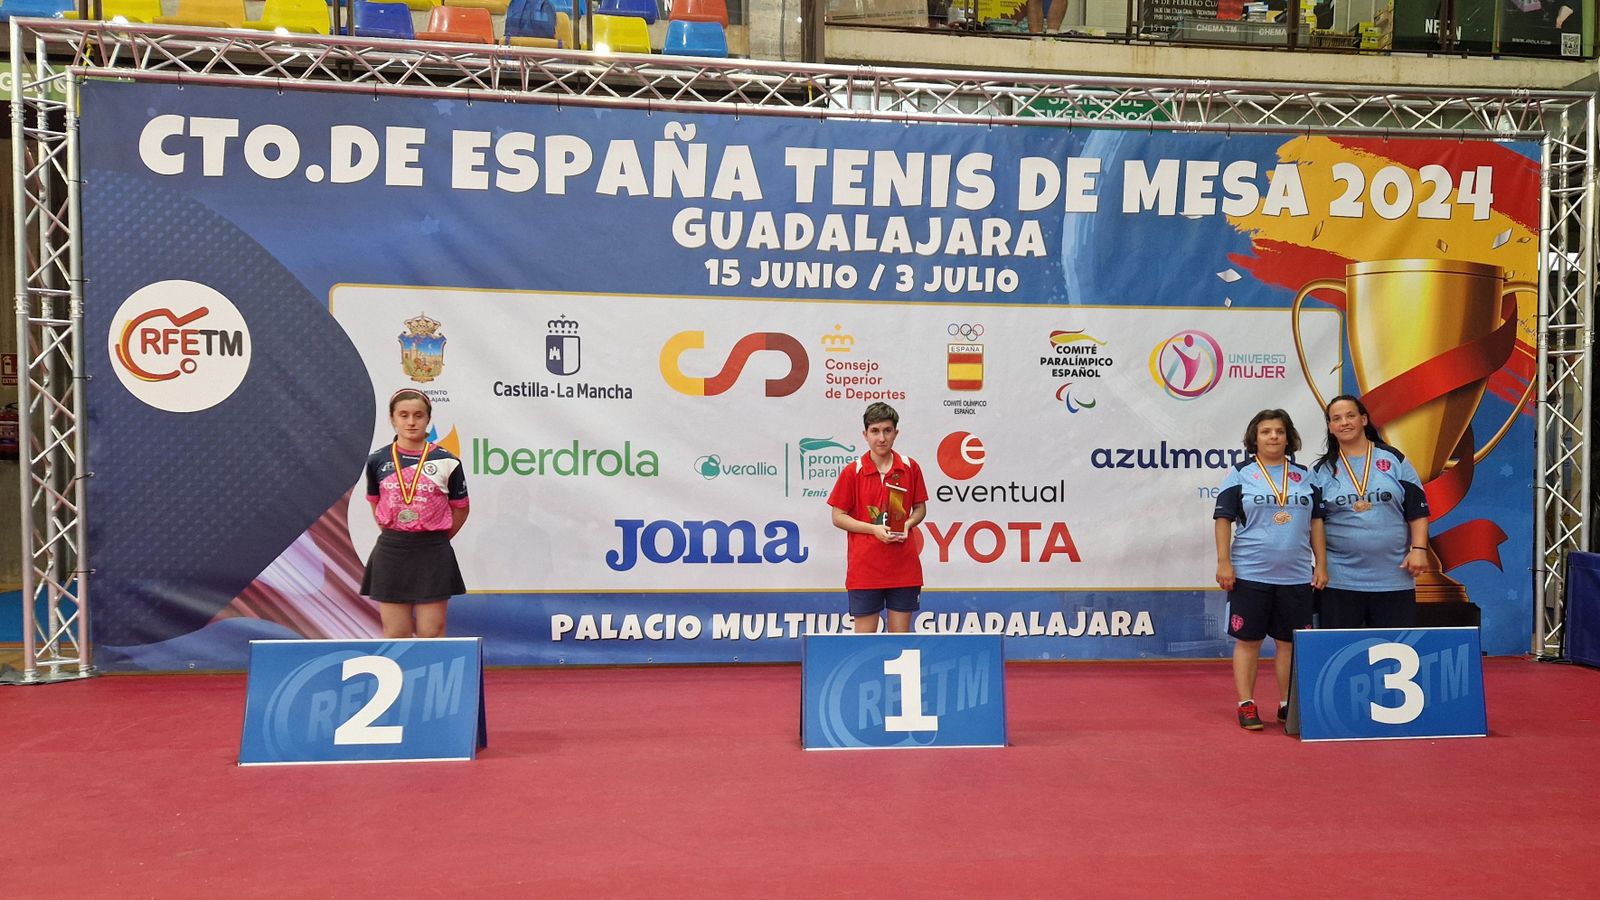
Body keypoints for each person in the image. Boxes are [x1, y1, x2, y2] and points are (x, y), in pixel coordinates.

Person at [1213, 409, 1326, 730]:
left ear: (1289, 438)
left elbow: (1317, 522)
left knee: (1289, 643)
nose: (1273, 436)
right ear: (1255, 438)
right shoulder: (1240, 474)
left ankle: (1287, 705)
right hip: (1250, 573)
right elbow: (1222, 520)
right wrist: (1224, 562)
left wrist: (1322, 564)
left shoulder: (1306, 476)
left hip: (1297, 575)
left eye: (1279, 431)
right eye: (1266, 431)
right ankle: (1246, 704)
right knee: (1248, 641)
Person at [1311, 394, 1430, 629]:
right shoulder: (1321, 471)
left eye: (1350, 416)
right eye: (1337, 418)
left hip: (1394, 577)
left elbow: (1417, 509)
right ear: (1330, 427)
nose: (1344, 422)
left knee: (1393, 647)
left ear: (1364, 419)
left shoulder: (1394, 460)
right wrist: (1321, 565)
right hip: (1339, 580)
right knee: (1341, 649)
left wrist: (1419, 549)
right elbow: (1315, 523)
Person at [361, 389, 470, 639]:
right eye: (403, 415)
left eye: (418, 415)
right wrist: (399, 535)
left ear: (428, 418)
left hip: (432, 552)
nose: (411, 422)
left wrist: (434, 539)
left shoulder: (447, 460)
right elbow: (376, 505)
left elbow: (461, 509)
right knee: (396, 634)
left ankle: (434, 670)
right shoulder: (377, 460)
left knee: (431, 633)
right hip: (391, 551)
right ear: (392, 418)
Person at [827, 402, 929, 634]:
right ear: (865, 434)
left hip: (903, 568)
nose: (881, 438)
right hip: (865, 570)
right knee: (864, 642)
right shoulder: (852, 471)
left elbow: (920, 509)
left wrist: (908, 524)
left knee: (900, 640)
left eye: (887, 430)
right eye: (875, 431)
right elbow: (838, 516)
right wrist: (873, 529)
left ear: (896, 433)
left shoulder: (910, 467)